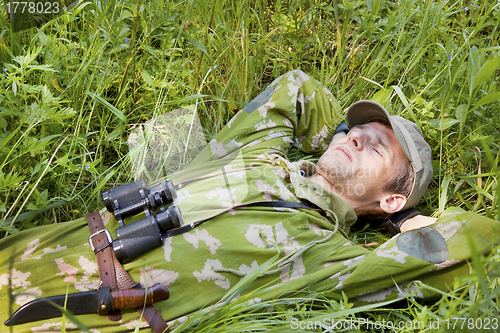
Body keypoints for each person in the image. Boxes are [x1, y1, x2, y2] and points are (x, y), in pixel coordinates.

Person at [1, 70, 498, 332]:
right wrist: (335, 145)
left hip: (76, 312)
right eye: (357, 129)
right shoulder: (260, 153)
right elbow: (295, 88)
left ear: (390, 198)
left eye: (379, 147)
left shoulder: (328, 256)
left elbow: (482, 241)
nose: (360, 138)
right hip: (47, 244)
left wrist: (405, 219)